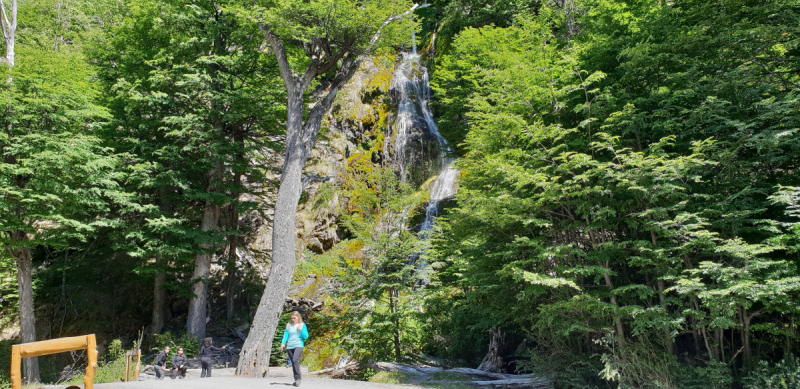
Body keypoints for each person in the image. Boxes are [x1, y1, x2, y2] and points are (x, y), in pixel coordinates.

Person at [280, 311, 309, 387]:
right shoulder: (289, 325)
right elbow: (286, 335)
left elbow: (306, 336)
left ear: (298, 317)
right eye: (292, 318)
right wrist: (283, 343)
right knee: (294, 362)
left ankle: (298, 379)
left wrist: (301, 329)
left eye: (294, 318)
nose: (293, 319)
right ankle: (296, 379)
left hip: (298, 345)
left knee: (295, 359)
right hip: (290, 346)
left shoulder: (302, 325)